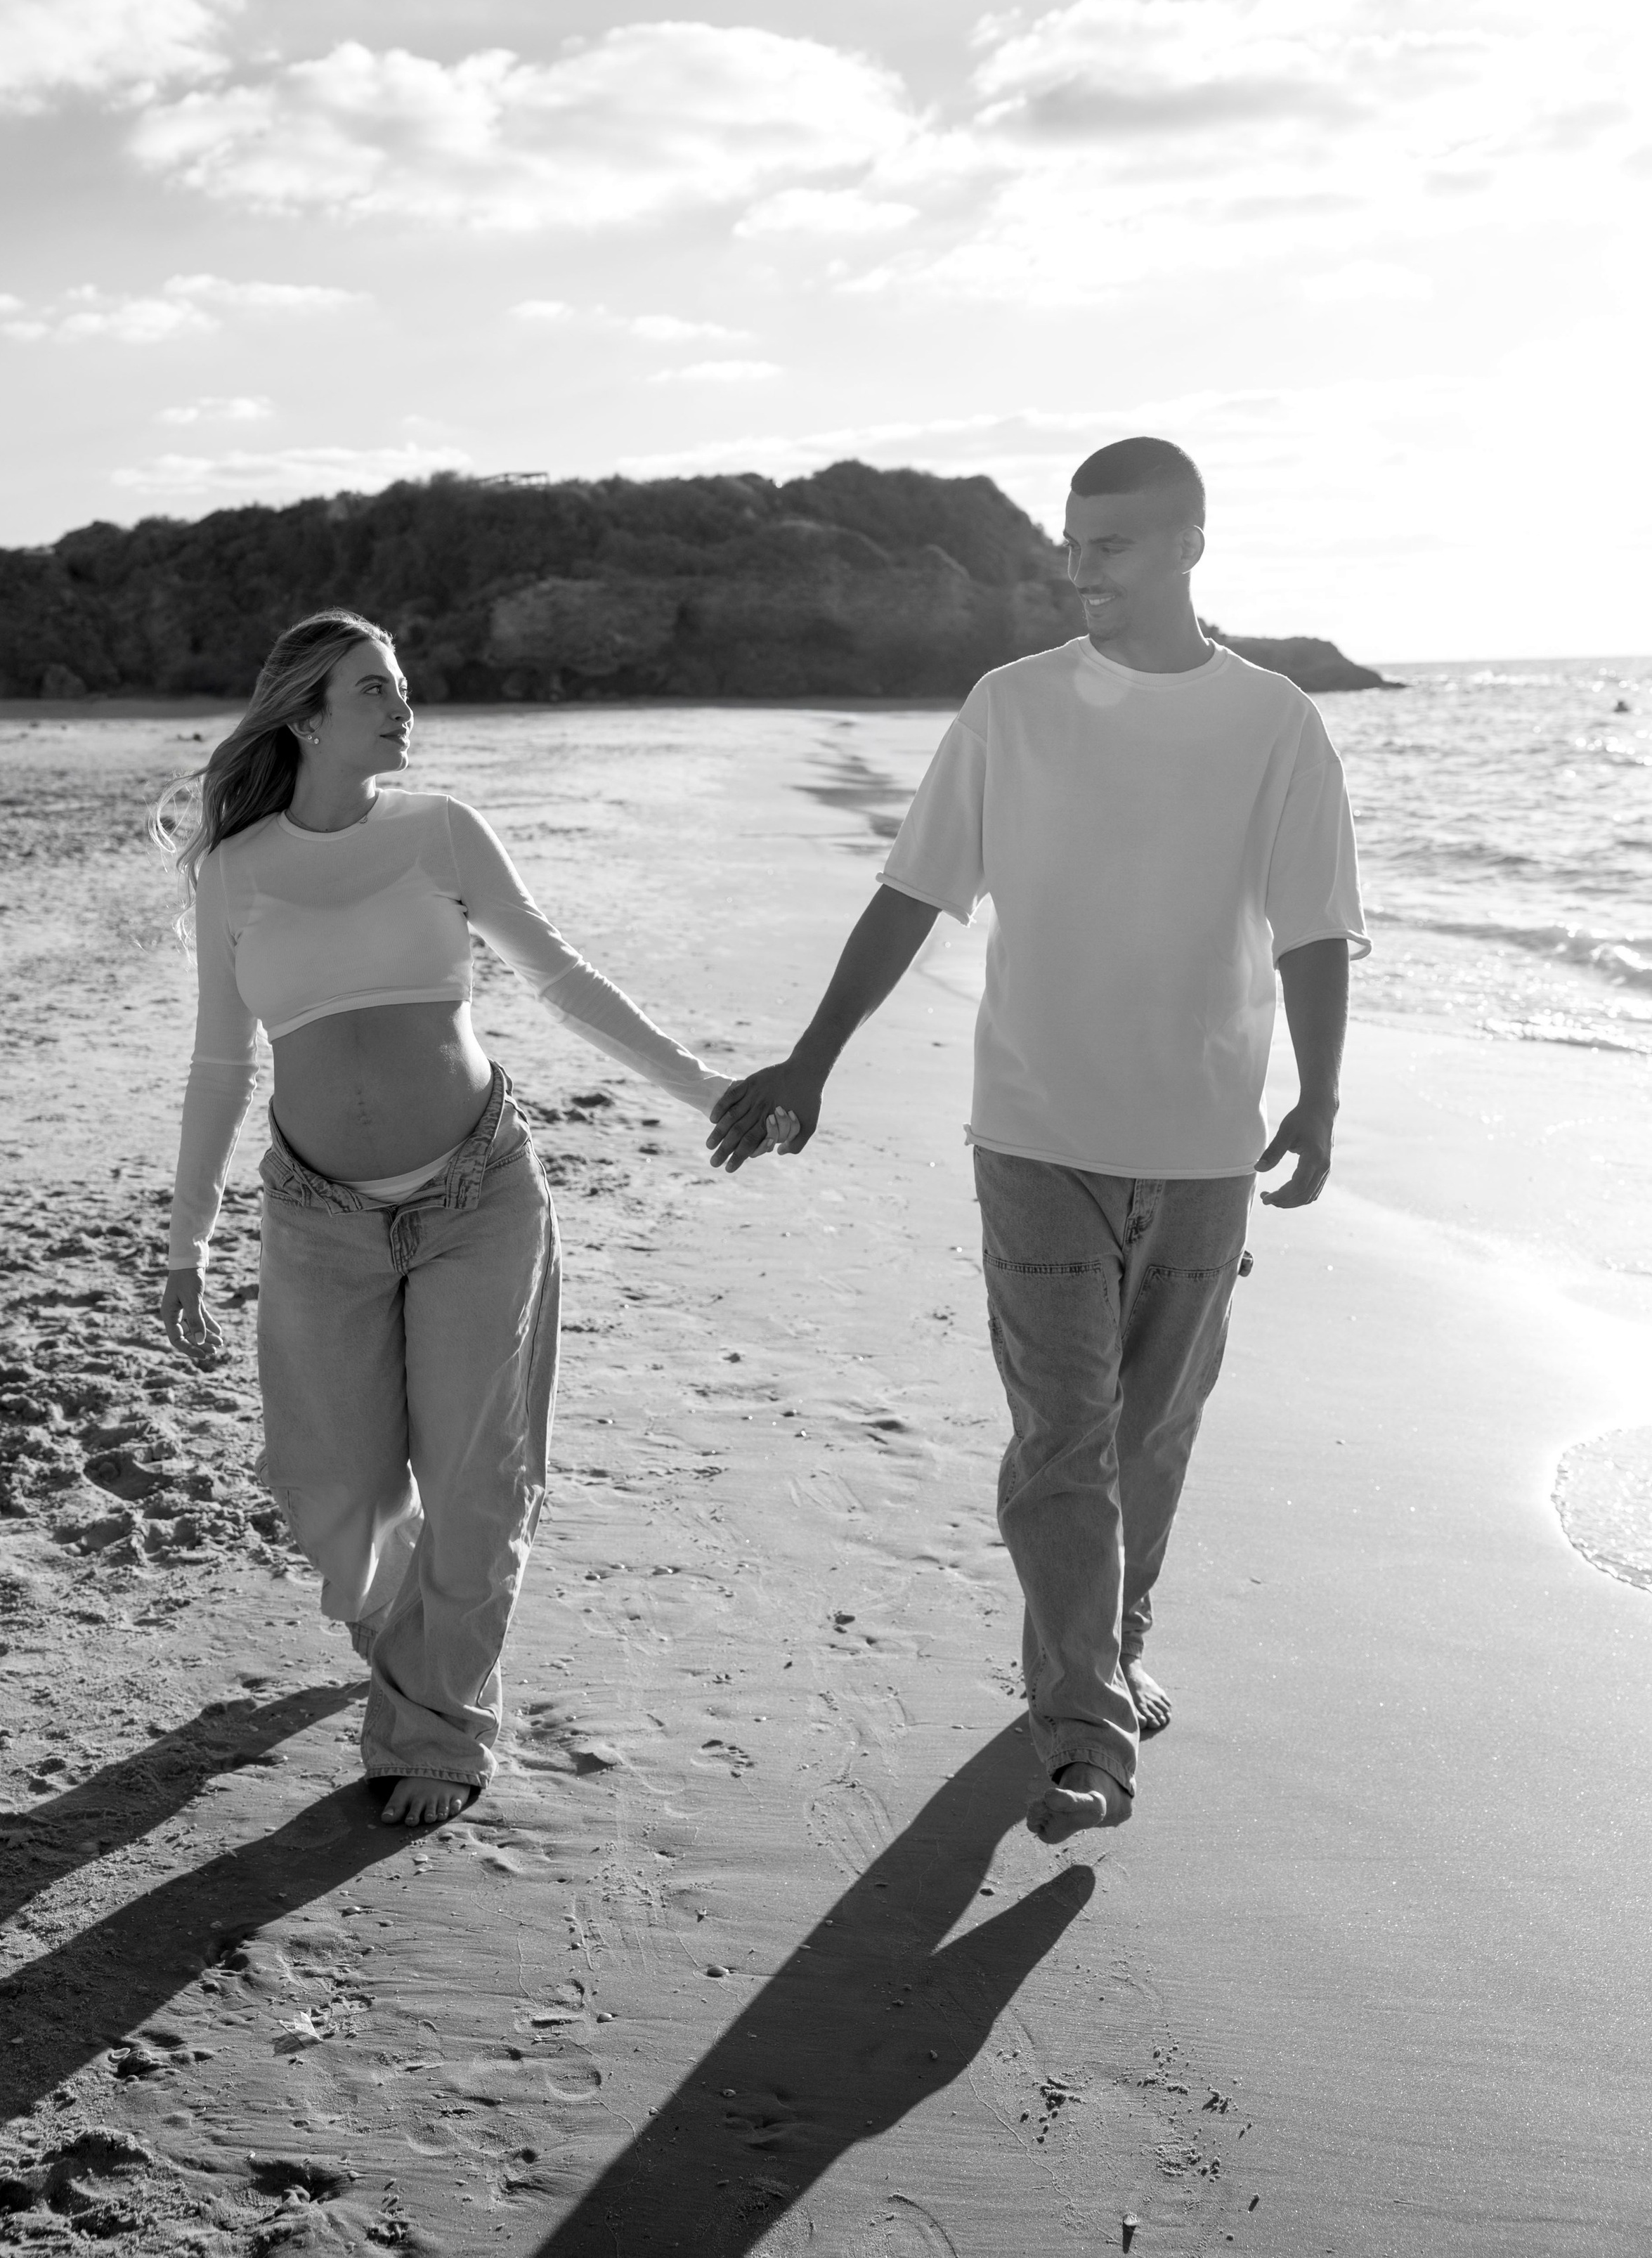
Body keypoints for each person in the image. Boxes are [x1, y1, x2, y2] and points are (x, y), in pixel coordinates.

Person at [708, 439, 1367, 1843]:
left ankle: (1108, 1656)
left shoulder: (1275, 723)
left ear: (1189, 545)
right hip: (1035, 1132)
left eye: (1110, 544)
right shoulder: (1010, 706)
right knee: (1063, 1442)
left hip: (1203, 1146)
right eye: (1072, 543)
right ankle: (1084, 1741)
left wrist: (1318, 1097)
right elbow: (912, 893)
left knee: (1152, 1437)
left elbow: (1315, 925)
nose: (1081, 570)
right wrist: (812, 1059)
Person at [155, 609, 779, 1829]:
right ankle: (411, 1634)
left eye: (402, 685)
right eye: (373, 689)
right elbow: (221, 1066)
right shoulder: (238, 868)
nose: (404, 706)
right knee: (330, 1492)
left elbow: (562, 977)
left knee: (476, 1481)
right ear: (305, 715)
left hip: (476, 1194)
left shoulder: (441, 828)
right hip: (317, 1215)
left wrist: (708, 1088)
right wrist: (188, 1242)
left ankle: (435, 1730)